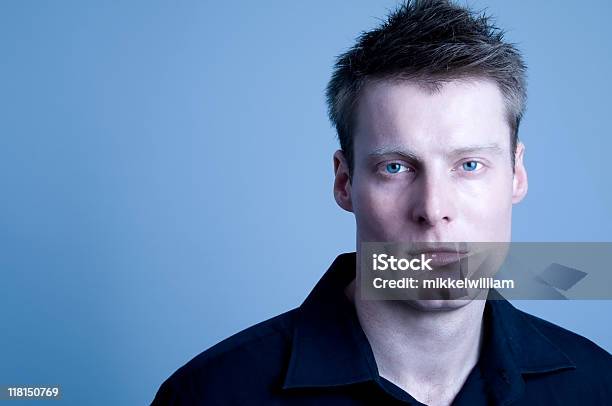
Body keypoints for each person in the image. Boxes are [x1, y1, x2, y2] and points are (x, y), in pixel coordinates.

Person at [151, 1, 612, 404]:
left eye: (469, 165)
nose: (433, 209)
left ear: (516, 175)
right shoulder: (211, 394)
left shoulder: (599, 387)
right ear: (344, 182)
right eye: (396, 167)